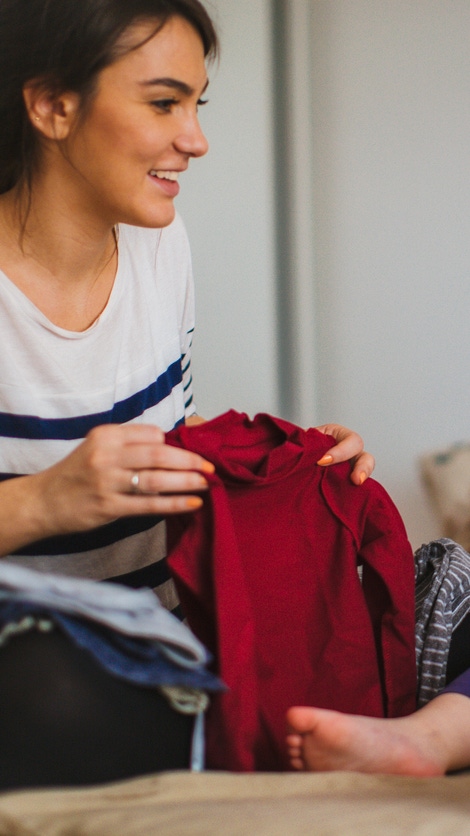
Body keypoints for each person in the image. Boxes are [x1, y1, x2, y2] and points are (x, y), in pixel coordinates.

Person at [0, 0, 371, 788]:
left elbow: (173, 439)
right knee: (47, 689)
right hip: (44, 660)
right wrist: (42, 502)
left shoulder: (160, 244)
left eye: (197, 105)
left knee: (443, 585)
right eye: (164, 102)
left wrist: (286, 465)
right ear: (52, 106)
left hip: (168, 629)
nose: (195, 140)